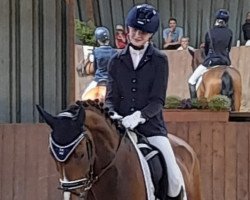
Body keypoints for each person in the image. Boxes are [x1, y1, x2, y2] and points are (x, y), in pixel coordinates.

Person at [105, 4, 186, 200]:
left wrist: (140, 116)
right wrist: (112, 114)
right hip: (120, 128)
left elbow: (158, 101)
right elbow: (109, 99)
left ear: (151, 34)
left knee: (175, 181)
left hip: (151, 128)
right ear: (128, 29)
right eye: (134, 29)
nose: (137, 35)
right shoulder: (115, 61)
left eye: (143, 32)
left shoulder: (159, 60)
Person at [188, 8, 233, 99]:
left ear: (216, 19)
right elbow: (229, 48)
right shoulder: (229, 32)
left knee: (191, 81)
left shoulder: (210, 32)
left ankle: (193, 103)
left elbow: (207, 50)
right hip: (225, 62)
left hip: (211, 62)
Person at [81, 26, 117, 99]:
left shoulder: (96, 51)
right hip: (111, 80)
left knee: (83, 97)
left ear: (98, 40)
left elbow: (95, 67)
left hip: (98, 79)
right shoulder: (114, 52)